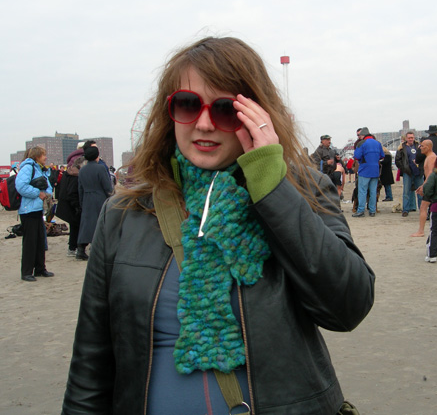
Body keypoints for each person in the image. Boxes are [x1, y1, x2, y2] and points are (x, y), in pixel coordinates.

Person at [62, 36, 375, 415]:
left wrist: (271, 188)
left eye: (225, 109)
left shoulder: (303, 191)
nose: (205, 123)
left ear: (257, 114)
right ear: (169, 112)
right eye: (188, 105)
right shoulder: (123, 213)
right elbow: (90, 368)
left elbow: (347, 307)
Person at [15, 146, 54, 281]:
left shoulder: (39, 169)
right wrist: (38, 193)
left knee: (39, 240)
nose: (45, 157)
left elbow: (47, 186)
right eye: (43, 155)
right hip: (28, 210)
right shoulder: (28, 168)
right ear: (37, 156)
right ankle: (26, 272)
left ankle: (40, 268)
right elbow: (21, 186)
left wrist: (46, 192)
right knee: (30, 242)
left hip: (37, 209)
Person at [76, 146, 113, 260]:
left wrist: (82, 201)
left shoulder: (82, 169)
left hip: (87, 198)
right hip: (99, 197)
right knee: (100, 223)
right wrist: (111, 197)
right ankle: (99, 249)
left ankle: (81, 249)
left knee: (86, 224)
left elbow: (80, 188)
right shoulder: (100, 169)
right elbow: (107, 186)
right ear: (97, 156)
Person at [56, 156, 85, 257]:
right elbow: (72, 193)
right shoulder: (75, 175)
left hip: (66, 204)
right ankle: (73, 248)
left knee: (74, 227)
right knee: (75, 227)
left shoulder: (68, 172)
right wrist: (77, 206)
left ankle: (73, 248)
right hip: (71, 205)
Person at [353, 127, 384, 217]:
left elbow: (357, 156)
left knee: (362, 190)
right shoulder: (377, 143)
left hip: (364, 169)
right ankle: (372, 210)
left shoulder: (361, 143)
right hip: (375, 170)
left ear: (363, 135)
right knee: (373, 191)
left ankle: (361, 210)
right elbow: (382, 155)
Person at [410, 139, 436, 237]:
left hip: (431, 185)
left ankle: (421, 231)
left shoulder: (431, 158)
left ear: (428, 147)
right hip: (431, 184)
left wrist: (423, 186)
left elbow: (430, 174)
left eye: (422, 146)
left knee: (423, 207)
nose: (420, 148)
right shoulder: (429, 157)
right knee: (433, 208)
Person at [395, 131, 422, 216]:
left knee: (420, 192)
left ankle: (422, 209)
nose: (411, 139)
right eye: (409, 138)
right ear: (406, 138)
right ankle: (405, 210)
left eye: (412, 137)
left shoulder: (418, 146)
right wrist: (403, 168)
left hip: (418, 172)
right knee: (406, 192)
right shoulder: (402, 148)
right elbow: (397, 160)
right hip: (408, 172)